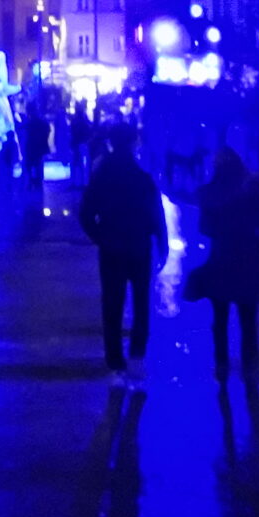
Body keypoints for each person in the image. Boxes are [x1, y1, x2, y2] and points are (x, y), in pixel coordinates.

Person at [78, 124, 169, 384]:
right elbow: (155, 213)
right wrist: (161, 243)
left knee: (112, 304)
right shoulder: (142, 176)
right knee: (141, 304)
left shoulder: (102, 175)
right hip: (139, 247)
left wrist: (100, 236)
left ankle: (114, 361)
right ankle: (137, 357)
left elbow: (85, 213)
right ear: (132, 143)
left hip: (112, 249)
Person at [193, 148, 259, 380]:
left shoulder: (210, 194)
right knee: (248, 317)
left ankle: (221, 363)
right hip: (250, 257)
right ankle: (250, 364)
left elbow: (204, 229)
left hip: (221, 257)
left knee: (220, 316)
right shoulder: (253, 192)